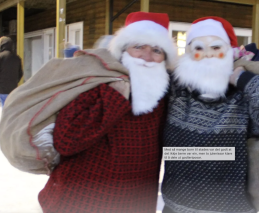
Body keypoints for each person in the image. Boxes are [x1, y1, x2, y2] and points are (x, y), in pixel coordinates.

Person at [38, 12, 176, 213]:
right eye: (138, 47)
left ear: (165, 57)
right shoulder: (99, 81)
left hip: (135, 203)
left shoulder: (166, 96)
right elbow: (66, 141)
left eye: (156, 50)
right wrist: (114, 98)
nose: (147, 56)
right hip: (81, 202)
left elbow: (179, 146)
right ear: (124, 50)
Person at [161, 17, 259, 213]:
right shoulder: (176, 91)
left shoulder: (242, 96)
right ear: (189, 54)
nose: (208, 54)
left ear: (229, 53)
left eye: (216, 47)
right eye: (199, 48)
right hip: (176, 206)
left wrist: (242, 77)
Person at [0, 36, 23, 107]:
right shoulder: (17, 58)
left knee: (4, 107)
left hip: (2, 87)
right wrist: (15, 81)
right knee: (11, 108)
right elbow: (20, 73)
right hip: (13, 88)